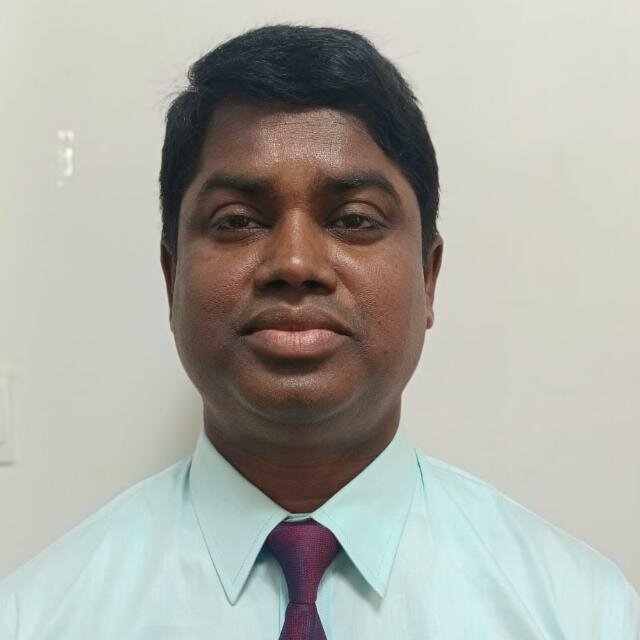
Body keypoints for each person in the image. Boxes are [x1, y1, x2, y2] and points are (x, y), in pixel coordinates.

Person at [1, 23, 638, 640]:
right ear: (172, 280)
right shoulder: (36, 618)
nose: (295, 263)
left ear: (428, 277)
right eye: (237, 220)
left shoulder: (583, 615)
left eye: (355, 219)